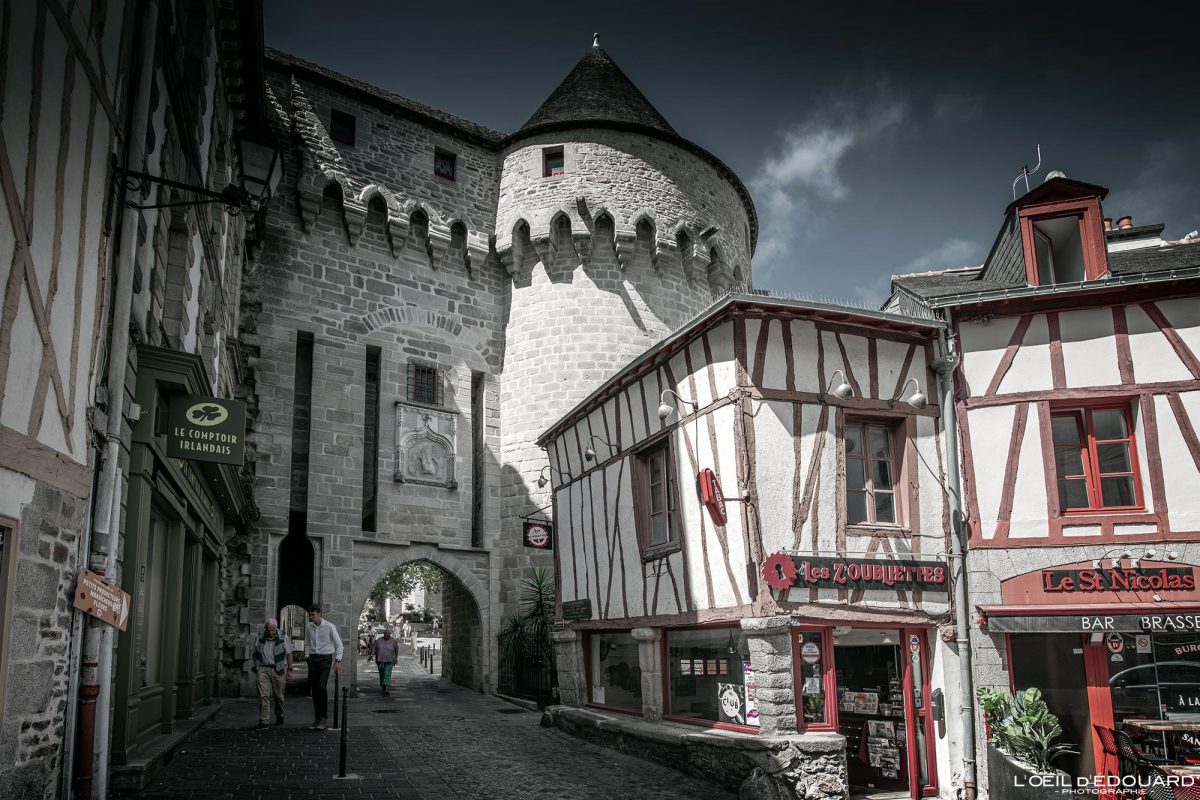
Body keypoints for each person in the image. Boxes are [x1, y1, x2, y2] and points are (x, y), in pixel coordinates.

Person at [304, 605, 343, 730]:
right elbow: (307, 642)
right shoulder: (309, 627)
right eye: (310, 615)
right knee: (314, 689)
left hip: (325, 659)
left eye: (313, 615)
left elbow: (339, 645)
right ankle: (317, 718)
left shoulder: (330, 627)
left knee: (321, 687)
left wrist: (337, 661)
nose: (311, 617)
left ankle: (323, 718)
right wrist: (306, 656)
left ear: (319, 614)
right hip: (313, 659)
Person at [253, 618, 293, 729]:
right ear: (265, 628)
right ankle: (264, 721)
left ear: (276, 628)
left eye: (273, 630)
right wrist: (255, 666)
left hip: (279, 669)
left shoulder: (284, 637)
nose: (271, 633)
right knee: (263, 695)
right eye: (269, 630)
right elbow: (255, 652)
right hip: (263, 668)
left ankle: (280, 714)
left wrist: (290, 670)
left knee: (279, 696)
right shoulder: (260, 636)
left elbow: (289, 654)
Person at [371, 627, 400, 694]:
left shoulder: (393, 641)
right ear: (384, 634)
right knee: (382, 674)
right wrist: (371, 655)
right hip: (380, 660)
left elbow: (396, 650)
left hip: (390, 660)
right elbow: (374, 648)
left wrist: (395, 658)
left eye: (388, 633)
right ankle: (383, 687)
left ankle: (387, 688)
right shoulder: (379, 640)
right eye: (386, 633)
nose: (387, 635)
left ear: (390, 634)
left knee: (387, 673)